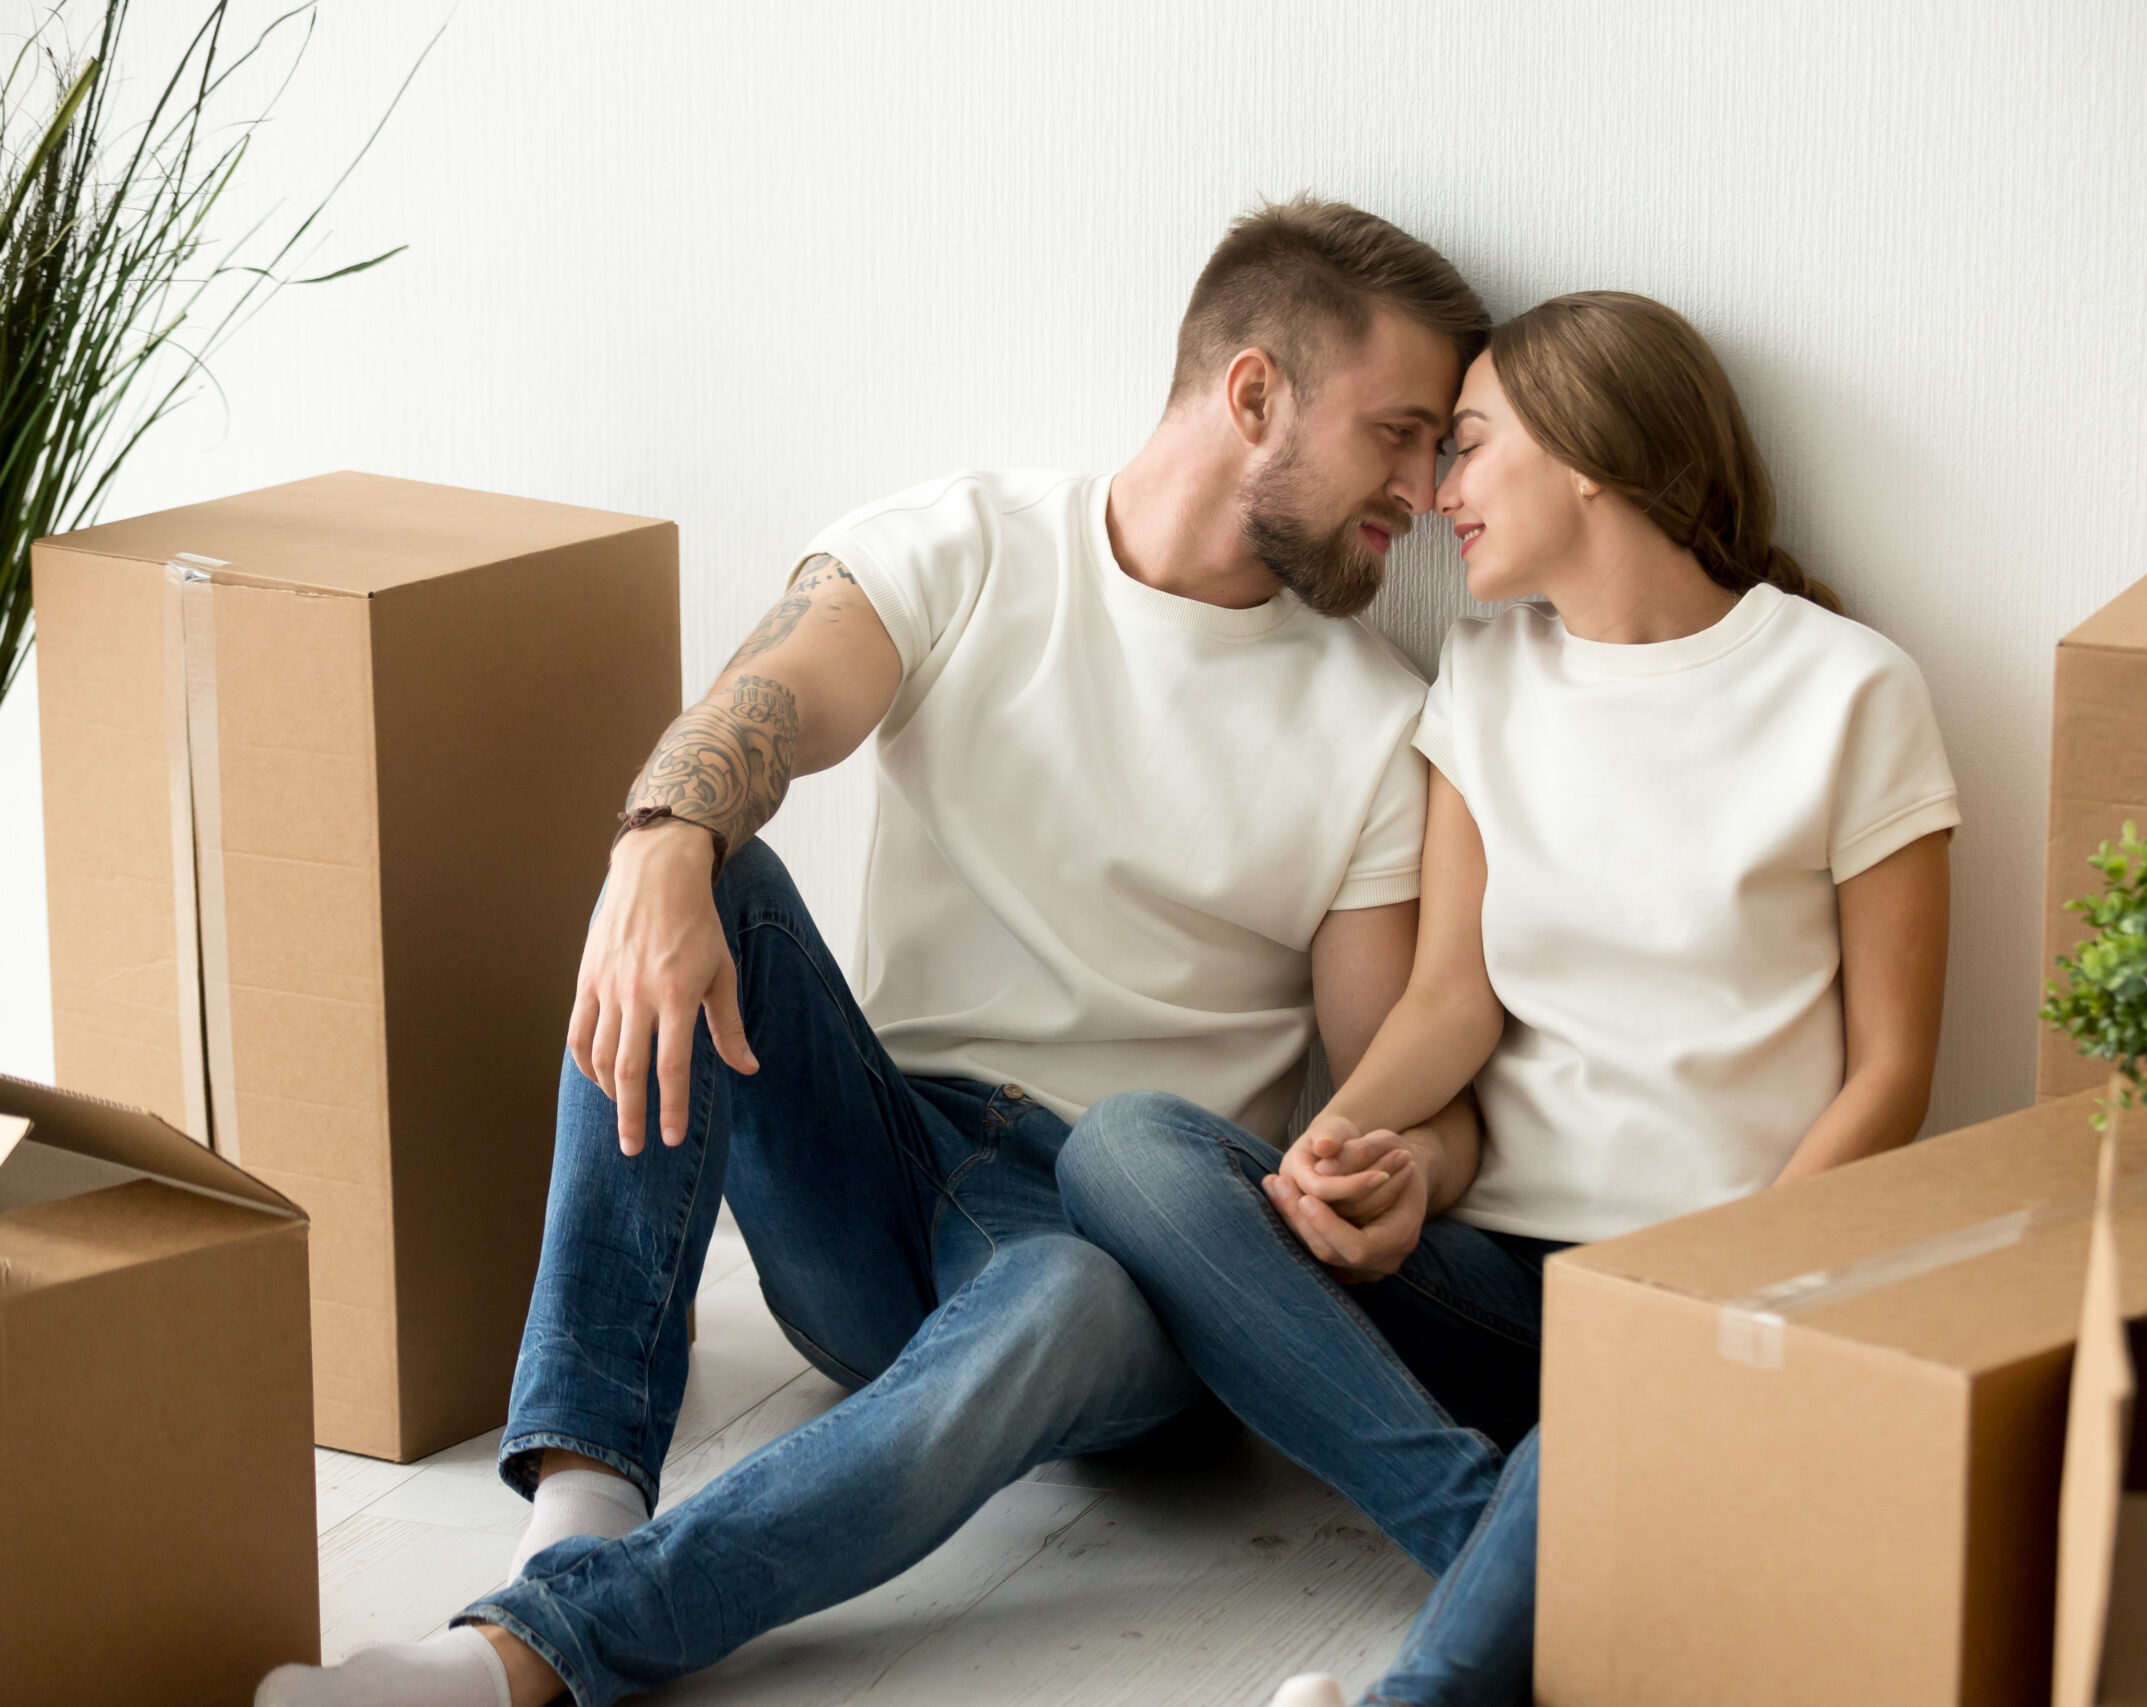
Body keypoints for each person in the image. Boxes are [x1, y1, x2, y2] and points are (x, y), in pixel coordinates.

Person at [259, 196, 1490, 1707]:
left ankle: (535, 1650)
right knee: (699, 861)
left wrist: (1403, 1168)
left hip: (1125, 1252)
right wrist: (661, 846)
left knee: (1065, 1289)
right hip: (882, 1169)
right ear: (1254, 395)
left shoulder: (1374, 725)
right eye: (1404, 433)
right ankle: (585, 1486)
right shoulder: (970, 547)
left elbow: (1389, 1076)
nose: (1428, 492)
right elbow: (772, 701)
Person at [1058, 290, 1960, 1707]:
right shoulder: (1486, 676)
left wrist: (1726, 1298)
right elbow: (1450, 1005)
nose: (1434, 496)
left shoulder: (1851, 691)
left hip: (1717, 1288)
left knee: (1597, 1417)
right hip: (1496, 1278)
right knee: (1125, 1151)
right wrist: (1332, 1149)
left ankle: (1453, 1652)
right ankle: (1506, 1521)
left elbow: (1892, 1073)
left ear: (1591, 451)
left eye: (1468, 446)